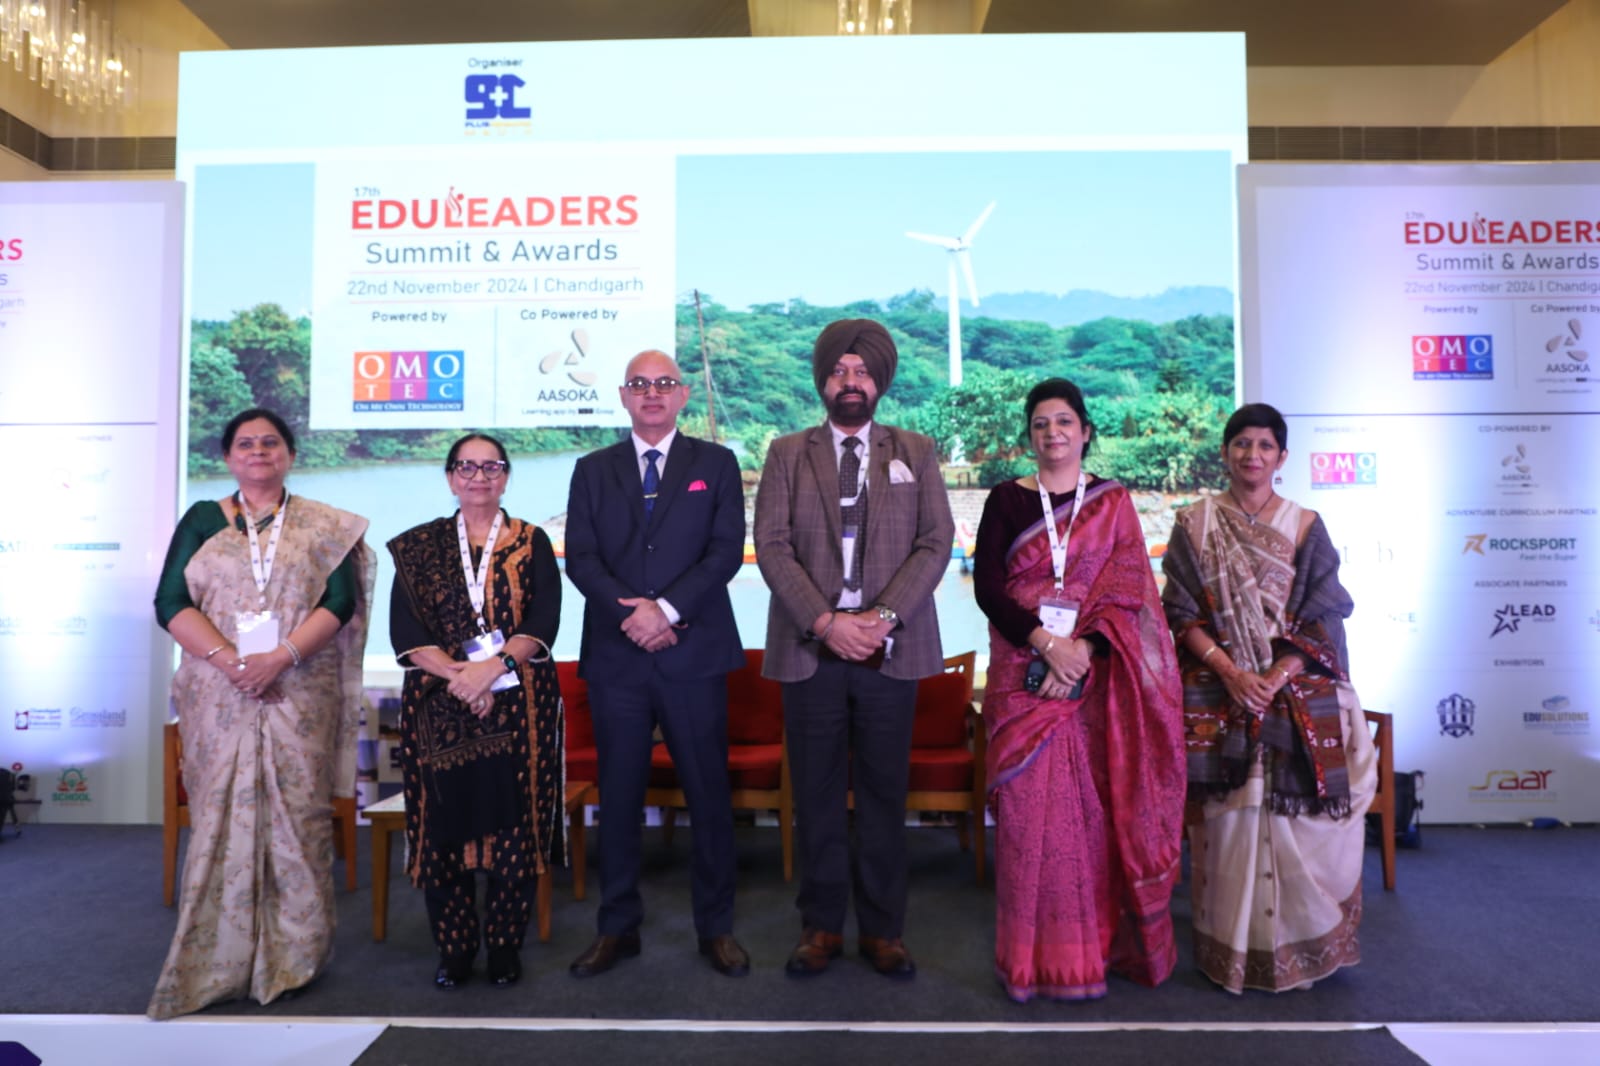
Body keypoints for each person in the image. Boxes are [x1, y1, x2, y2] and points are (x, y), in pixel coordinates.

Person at [149, 408, 373, 1019]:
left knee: (299, 820)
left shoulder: (324, 525)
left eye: (270, 443)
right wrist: (231, 662)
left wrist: (279, 658)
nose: (258, 452)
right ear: (227, 457)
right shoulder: (202, 520)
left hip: (298, 691)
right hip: (219, 695)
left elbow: (340, 601)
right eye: (245, 444)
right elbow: (170, 600)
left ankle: (294, 959)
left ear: (290, 455)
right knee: (219, 818)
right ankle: (217, 962)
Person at [754, 318, 955, 979]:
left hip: (890, 650)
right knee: (814, 798)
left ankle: (883, 931)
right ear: (823, 381)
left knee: (882, 795)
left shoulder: (916, 450)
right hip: (810, 648)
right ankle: (819, 927)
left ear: (880, 381)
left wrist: (882, 617)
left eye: (862, 371)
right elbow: (772, 545)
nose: (850, 381)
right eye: (839, 371)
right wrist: (825, 621)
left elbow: (936, 541)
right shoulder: (787, 452)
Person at [973, 378, 1185, 1003]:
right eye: (1041, 424)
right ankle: (1028, 964)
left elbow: (1128, 591)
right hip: (1023, 677)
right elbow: (988, 588)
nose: (1053, 433)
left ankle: (1087, 955)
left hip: (1093, 686)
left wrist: (1082, 651)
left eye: (1064, 421)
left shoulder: (1112, 503)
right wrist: (1047, 644)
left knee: (1091, 822)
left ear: (1085, 431)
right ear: (1029, 435)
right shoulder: (1005, 500)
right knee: (1025, 821)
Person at [1161, 402, 1377, 994]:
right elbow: (1179, 613)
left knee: (1297, 821)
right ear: (1224, 452)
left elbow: (1324, 614)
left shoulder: (1305, 524)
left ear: (1282, 457)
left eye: (1264, 446)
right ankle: (1231, 954)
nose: (1251, 455)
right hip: (1218, 693)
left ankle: (1299, 954)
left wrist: (1275, 676)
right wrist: (1231, 672)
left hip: (1291, 693)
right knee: (1229, 824)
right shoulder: (1195, 524)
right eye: (1241, 444)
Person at [563, 349, 749, 978]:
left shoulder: (716, 464)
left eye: (664, 383)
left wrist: (665, 611)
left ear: (682, 395)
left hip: (693, 652)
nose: (652, 392)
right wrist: (633, 616)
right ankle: (617, 928)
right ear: (623, 395)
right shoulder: (593, 469)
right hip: (618, 657)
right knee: (618, 798)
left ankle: (716, 928)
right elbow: (581, 557)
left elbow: (725, 552)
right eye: (639, 384)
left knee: (708, 795)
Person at [388, 432, 564, 990]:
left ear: (506, 476)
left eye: (492, 467)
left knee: (515, 827)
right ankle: (456, 949)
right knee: (445, 830)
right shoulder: (419, 547)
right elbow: (406, 632)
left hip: (520, 703)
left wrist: (493, 668)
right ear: (450, 477)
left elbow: (545, 620)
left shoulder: (532, 541)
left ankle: (506, 947)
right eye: (467, 467)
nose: (479, 477)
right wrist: (462, 676)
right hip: (438, 704)